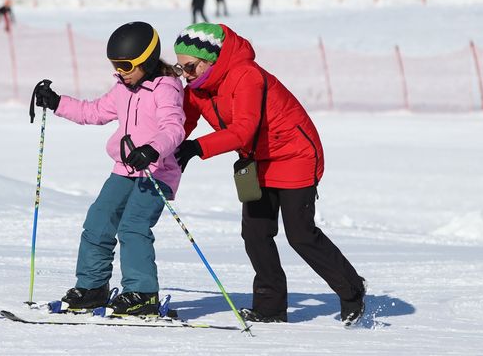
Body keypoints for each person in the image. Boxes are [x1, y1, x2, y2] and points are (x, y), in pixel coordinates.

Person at [172, 23, 366, 325]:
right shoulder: (197, 90)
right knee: (255, 233)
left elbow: (242, 130)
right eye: (180, 67)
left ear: (211, 59)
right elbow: (180, 125)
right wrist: (160, 149)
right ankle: (270, 308)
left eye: (190, 67)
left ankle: (352, 290)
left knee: (300, 235)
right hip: (256, 159)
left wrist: (196, 148)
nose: (186, 75)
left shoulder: (246, 75)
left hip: (294, 154)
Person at [34, 22, 185, 316]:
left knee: (133, 226)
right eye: (115, 65)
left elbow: (173, 129)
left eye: (126, 65)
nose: (120, 72)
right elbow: (93, 112)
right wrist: (56, 102)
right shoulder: (122, 88)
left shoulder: (166, 89)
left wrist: (153, 149)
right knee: (98, 220)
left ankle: (142, 293)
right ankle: (92, 288)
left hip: (157, 171)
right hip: (124, 169)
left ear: (147, 60)